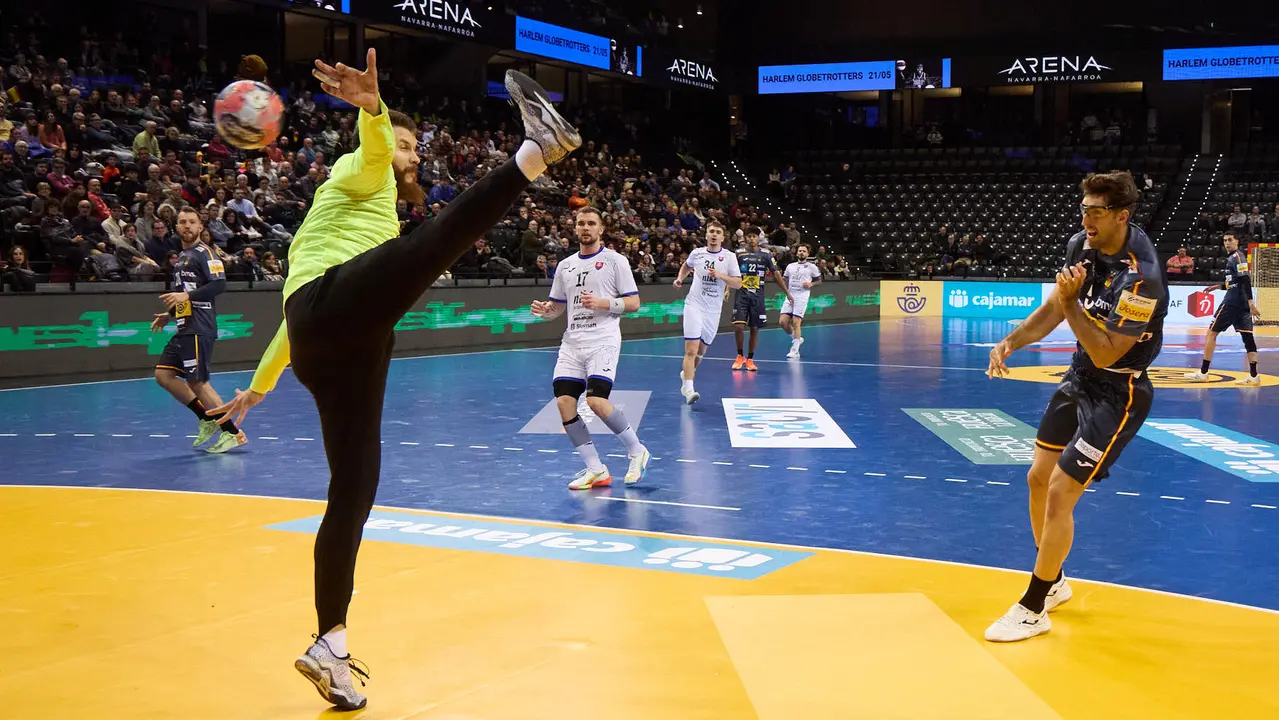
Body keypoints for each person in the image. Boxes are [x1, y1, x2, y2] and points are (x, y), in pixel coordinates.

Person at [207, 52, 582, 710]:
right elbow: (374, 151)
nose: (407, 155)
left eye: (413, 146)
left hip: (338, 344)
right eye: (402, 144)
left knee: (353, 491)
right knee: (436, 242)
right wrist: (374, 112)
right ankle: (534, 151)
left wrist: (261, 386)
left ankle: (332, 646)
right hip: (330, 309)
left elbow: (298, 326)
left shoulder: (379, 212)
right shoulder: (362, 173)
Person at [984, 171, 1168, 642]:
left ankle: (1032, 605)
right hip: (1080, 376)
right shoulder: (1079, 246)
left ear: (1122, 215)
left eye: (1096, 211)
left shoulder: (1143, 278)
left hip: (1119, 391)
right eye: (1083, 208)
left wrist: (1071, 306)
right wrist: (1011, 341)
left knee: (1063, 490)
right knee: (1037, 478)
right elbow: (1052, 309)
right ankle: (1055, 584)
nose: (1086, 218)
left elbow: (1108, 350)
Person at [530, 206, 651, 490]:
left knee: (596, 402)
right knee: (564, 403)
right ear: (575, 229)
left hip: (603, 340)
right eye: (581, 223)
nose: (585, 228)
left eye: (591, 223)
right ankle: (595, 469)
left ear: (601, 229)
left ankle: (636, 450)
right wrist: (545, 311)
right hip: (572, 343)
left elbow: (634, 303)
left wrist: (602, 303)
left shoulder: (615, 261)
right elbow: (558, 308)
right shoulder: (565, 266)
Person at [150, 206, 246, 454]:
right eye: (182, 222)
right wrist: (168, 314)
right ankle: (206, 417)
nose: (187, 226)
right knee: (163, 375)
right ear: (177, 227)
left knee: (198, 382)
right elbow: (185, 296)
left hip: (199, 326)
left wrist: (186, 296)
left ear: (200, 226)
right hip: (184, 327)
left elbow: (219, 285)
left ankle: (232, 433)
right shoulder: (181, 258)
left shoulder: (206, 253)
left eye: (192, 222)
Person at [673, 221, 742, 403]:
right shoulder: (697, 253)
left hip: (713, 310)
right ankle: (689, 390)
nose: (714, 234)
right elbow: (686, 266)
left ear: (722, 237)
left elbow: (738, 283)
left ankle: (686, 374)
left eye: (717, 232)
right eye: (711, 231)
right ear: (706, 235)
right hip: (694, 305)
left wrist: (720, 276)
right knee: (691, 350)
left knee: (701, 352)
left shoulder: (729, 257)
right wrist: (680, 278)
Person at [1184, 232, 1262, 386]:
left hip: (1232, 303)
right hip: (1242, 305)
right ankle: (1254, 376)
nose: (1227, 243)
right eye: (1225, 240)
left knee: (1211, 333)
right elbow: (1235, 282)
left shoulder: (1237, 257)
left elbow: (1245, 279)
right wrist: (1218, 286)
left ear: (1237, 241)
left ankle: (1203, 373)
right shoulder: (1233, 258)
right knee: (1248, 338)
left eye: (1230, 240)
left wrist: (1252, 302)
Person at [731, 227, 791, 370]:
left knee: (755, 328)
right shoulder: (738, 253)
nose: (751, 239)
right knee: (739, 326)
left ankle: (750, 359)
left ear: (759, 238)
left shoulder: (766, 254)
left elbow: (776, 274)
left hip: (757, 296)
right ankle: (740, 355)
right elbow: (731, 273)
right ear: (745, 238)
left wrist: (787, 292)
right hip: (741, 294)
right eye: (749, 236)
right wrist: (727, 289)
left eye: (754, 236)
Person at [780, 244, 822, 358]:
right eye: (800, 251)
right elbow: (785, 279)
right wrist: (787, 292)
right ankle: (796, 338)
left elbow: (819, 280)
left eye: (804, 251)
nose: (802, 253)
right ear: (797, 253)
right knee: (783, 322)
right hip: (790, 296)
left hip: (802, 296)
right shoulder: (790, 266)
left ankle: (795, 350)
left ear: (808, 254)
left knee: (796, 322)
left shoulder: (811, 267)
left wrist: (811, 284)